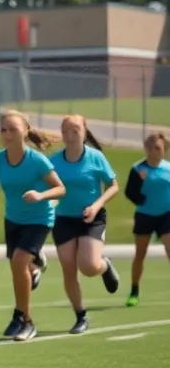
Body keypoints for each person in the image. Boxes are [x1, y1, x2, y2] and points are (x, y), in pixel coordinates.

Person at [0, 111, 66, 341]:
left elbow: (60, 189)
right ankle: (32, 273)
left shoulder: (37, 160)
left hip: (39, 219)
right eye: (3, 129)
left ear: (25, 131)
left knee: (19, 261)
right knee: (18, 269)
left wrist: (40, 195)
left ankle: (27, 321)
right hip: (13, 219)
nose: (6, 134)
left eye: (13, 129)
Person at [49, 115, 121, 333]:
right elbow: (51, 189)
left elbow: (113, 186)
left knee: (89, 266)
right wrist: (50, 203)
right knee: (68, 269)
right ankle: (81, 316)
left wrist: (96, 206)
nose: (70, 136)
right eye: (65, 132)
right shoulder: (54, 161)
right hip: (64, 220)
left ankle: (105, 265)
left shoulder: (95, 158)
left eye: (75, 130)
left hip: (91, 219)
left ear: (84, 132)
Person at [124, 131, 170, 307]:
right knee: (140, 254)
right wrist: (140, 189)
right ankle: (134, 291)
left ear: (164, 149)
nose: (152, 151)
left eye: (157, 148)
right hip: (145, 215)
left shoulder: (168, 168)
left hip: (166, 215)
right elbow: (130, 193)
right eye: (149, 147)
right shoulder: (138, 169)